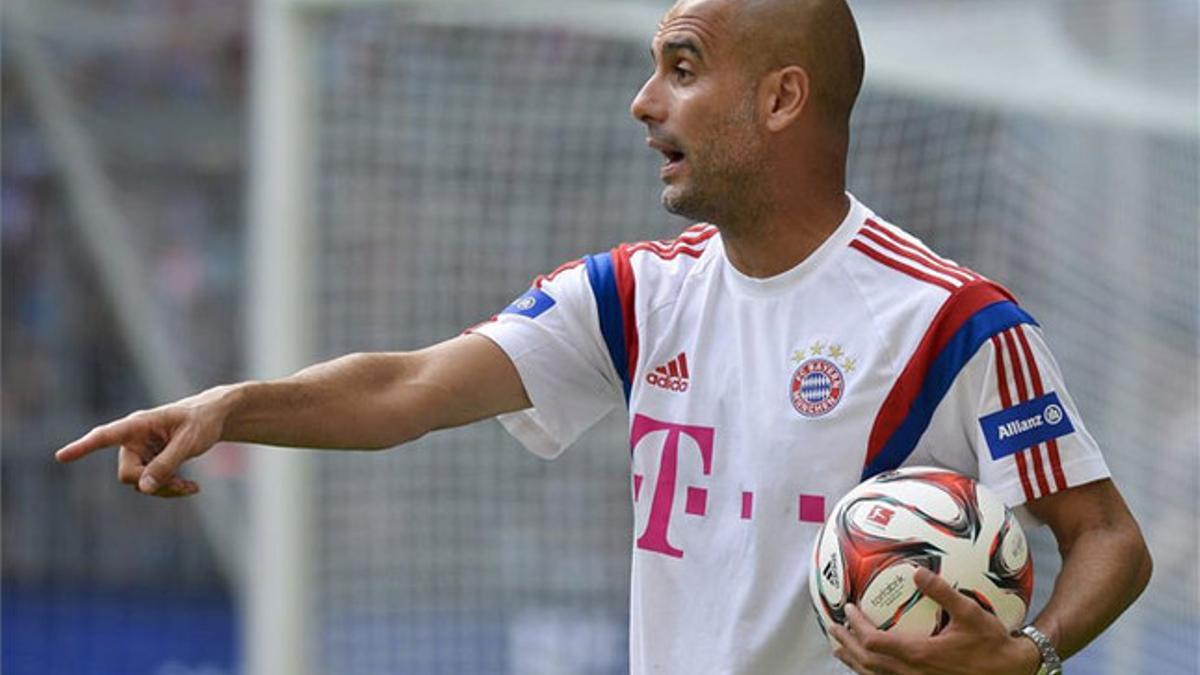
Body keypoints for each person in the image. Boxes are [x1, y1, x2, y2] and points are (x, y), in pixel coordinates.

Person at [56, 0, 1152, 673]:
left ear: (780, 97)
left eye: (681, 67)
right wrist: (235, 406)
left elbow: (1107, 537)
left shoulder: (955, 322)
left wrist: (1031, 658)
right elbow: (407, 390)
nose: (641, 102)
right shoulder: (634, 296)